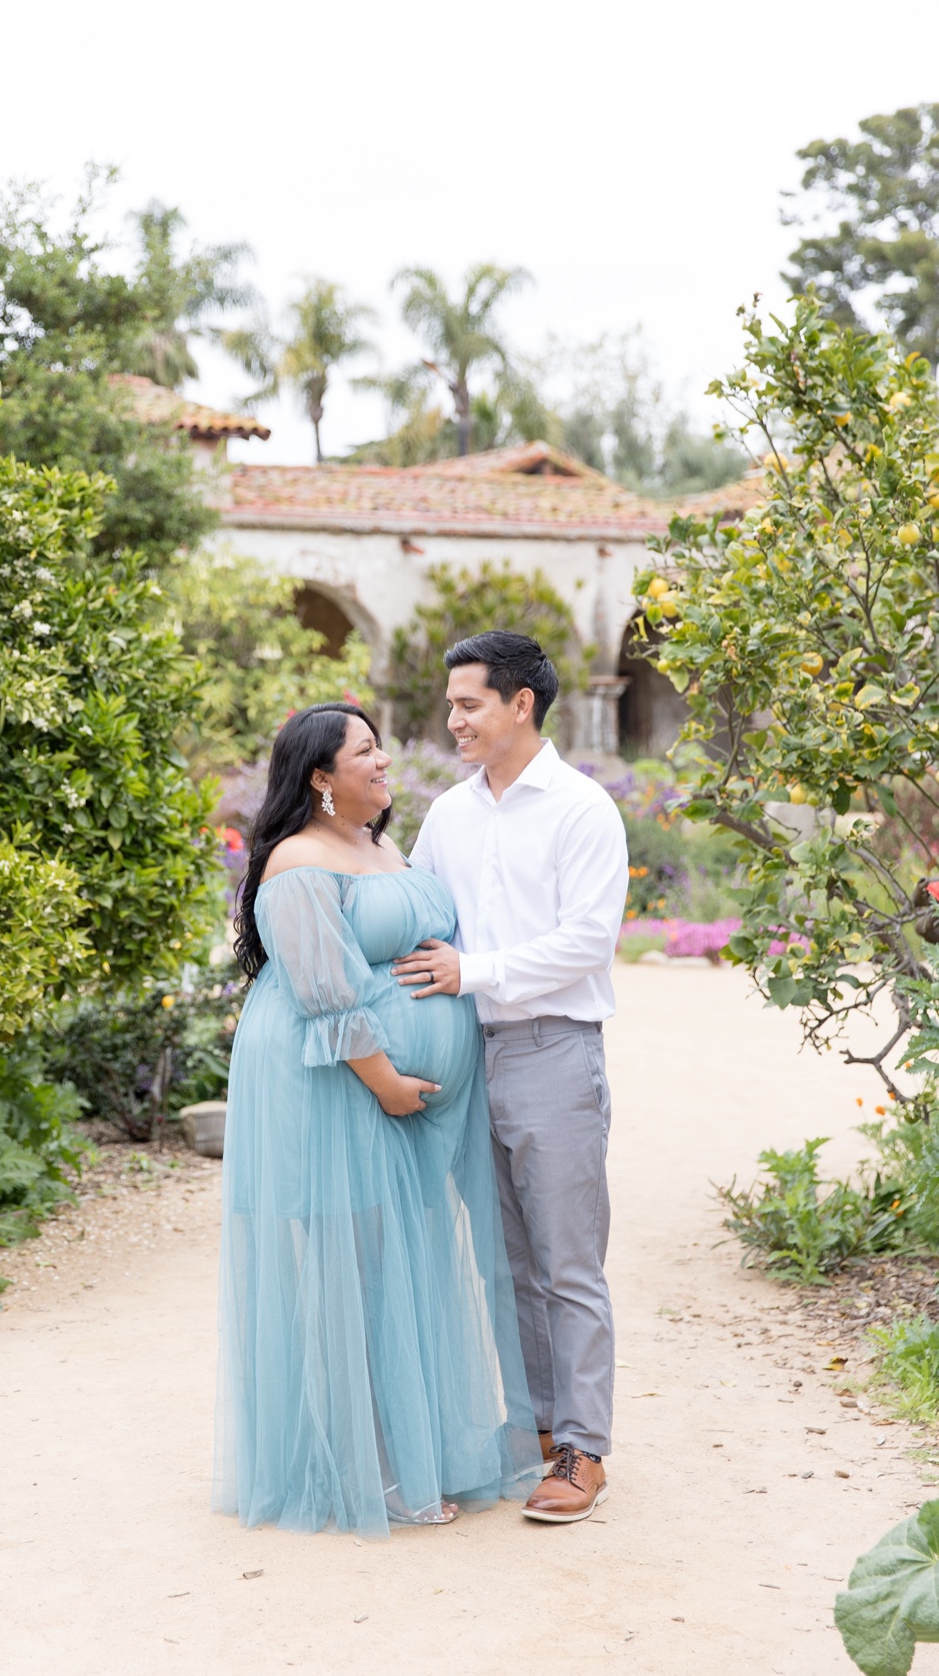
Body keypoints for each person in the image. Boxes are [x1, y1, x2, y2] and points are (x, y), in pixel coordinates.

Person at [213, 702, 543, 1537]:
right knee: (355, 1273)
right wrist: (387, 1077)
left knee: (399, 1268)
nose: (386, 760)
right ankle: (376, 1472)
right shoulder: (296, 862)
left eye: (380, 745)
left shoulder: (379, 844)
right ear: (320, 777)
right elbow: (322, 989)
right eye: (366, 751)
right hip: (336, 1090)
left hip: (393, 1098)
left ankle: (409, 1448)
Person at [395, 632, 629, 1525]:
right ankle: (536, 1426)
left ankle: (584, 1448)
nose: (452, 720)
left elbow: (587, 940)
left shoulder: (581, 809)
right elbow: (417, 909)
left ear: (520, 703)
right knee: (508, 1263)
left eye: (468, 704)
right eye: (451, 705)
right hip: (467, 1057)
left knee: (569, 1262)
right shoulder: (449, 815)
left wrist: (474, 970)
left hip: (553, 1052)